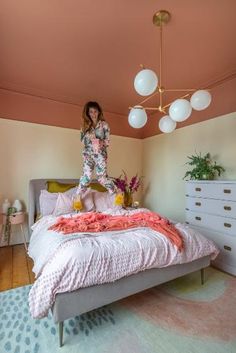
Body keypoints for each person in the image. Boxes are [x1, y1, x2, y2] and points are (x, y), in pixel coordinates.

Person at [76, 101, 122, 203]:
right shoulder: (84, 125)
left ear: (98, 112)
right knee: (87, 177)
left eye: (95, 111)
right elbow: (82, 140)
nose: (93, 114)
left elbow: (107, 142)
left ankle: (117, 193)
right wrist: (88, 136)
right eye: (91, 112)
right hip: (88, 154)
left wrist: (100, 141)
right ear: (88, 113)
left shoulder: (104, 125)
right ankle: (77, 197)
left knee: (101, 178)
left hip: (100, 154)